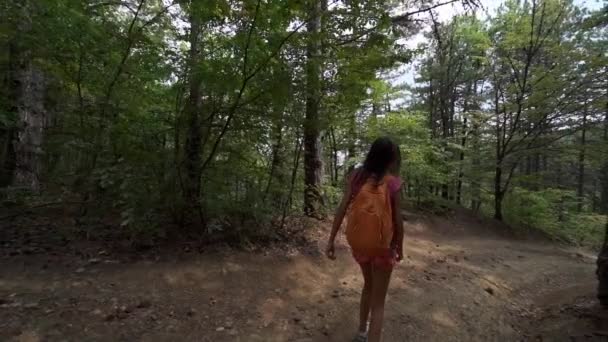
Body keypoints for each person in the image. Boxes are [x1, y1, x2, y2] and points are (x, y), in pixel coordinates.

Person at [325, 137, 404, 342]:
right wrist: (399, 247)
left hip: (360, 246)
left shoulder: (356, 178)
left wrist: (331, 239)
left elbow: (342, 208)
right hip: (383, 250)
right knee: (379, 303)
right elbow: (397, 221)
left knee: (368, 286)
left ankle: (361, 332)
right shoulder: (393, 183)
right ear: (391, 159)